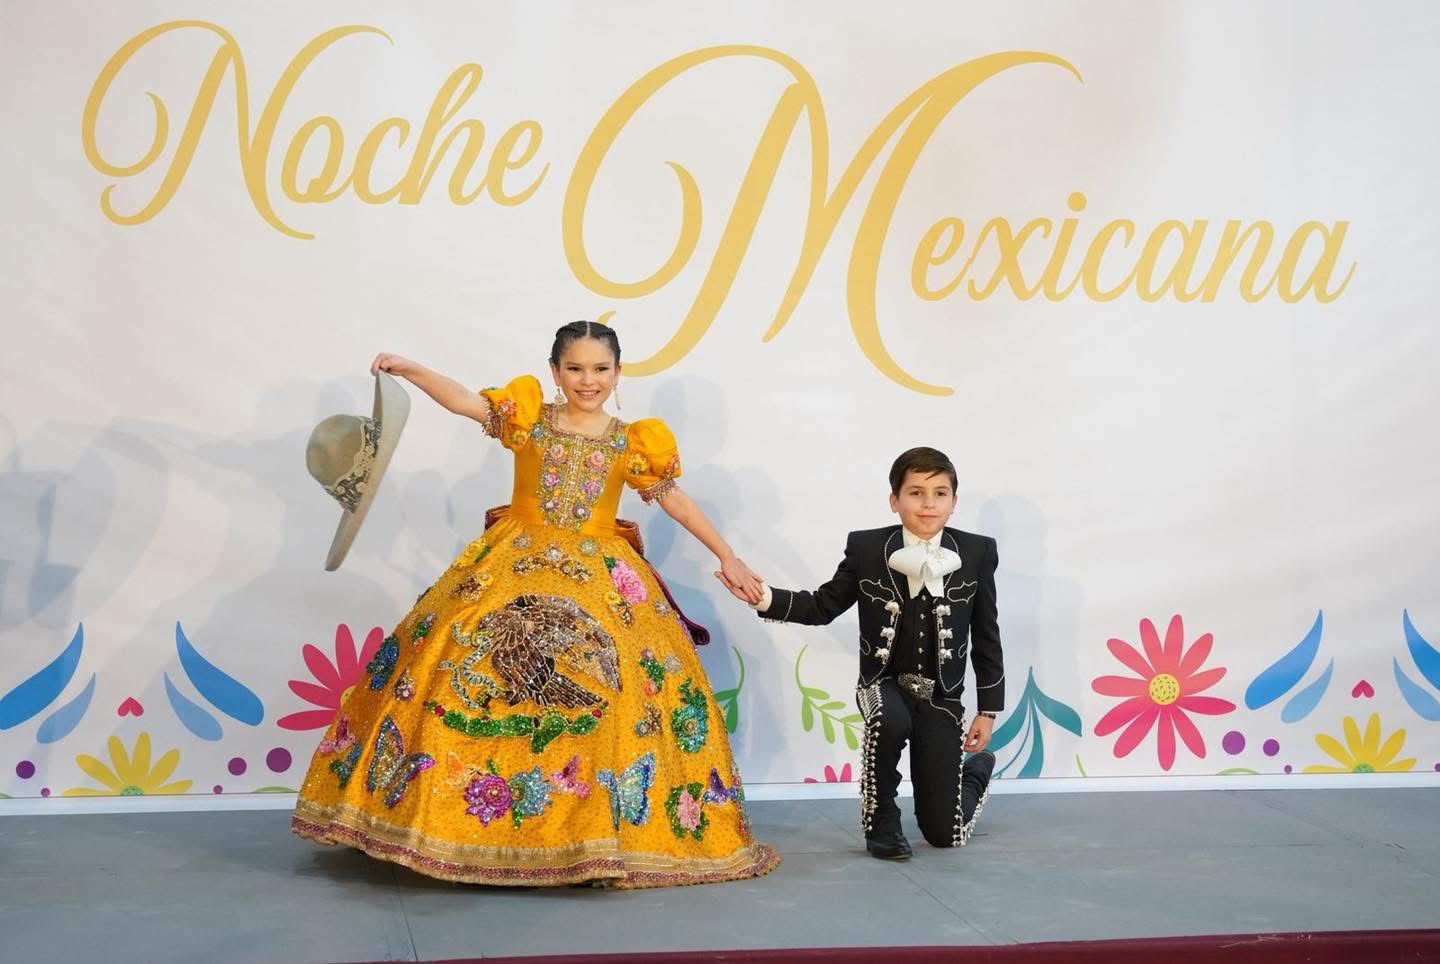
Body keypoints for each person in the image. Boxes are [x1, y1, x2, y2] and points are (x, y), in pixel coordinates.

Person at [292, 320, 780, 888]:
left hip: (600, 576)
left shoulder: (633, 441)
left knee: (609, 686)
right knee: (463, 661)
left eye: (600, 369)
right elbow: (465, 402)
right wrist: (413, 370)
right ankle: (459, 827)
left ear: (618, 373)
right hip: (512, 560)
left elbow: (673, 498)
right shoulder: (530, 419)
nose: (588, 380)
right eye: (575, 368)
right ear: (554, 371)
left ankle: (589, 838)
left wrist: (728, 556)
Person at [726, 446, 1003, 860]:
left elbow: (986, 634)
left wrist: (988, 710)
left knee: (944, 835)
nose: (928, 504)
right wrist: (763, 596)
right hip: (883, 682)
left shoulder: (977, 551)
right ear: (895, 500)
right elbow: (822, 606)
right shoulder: (868, 548)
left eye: (940, 494)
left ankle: (975, 774)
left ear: (954, 501)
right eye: (916, 493)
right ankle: (883, 826)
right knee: (886, 719)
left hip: (942, 696)